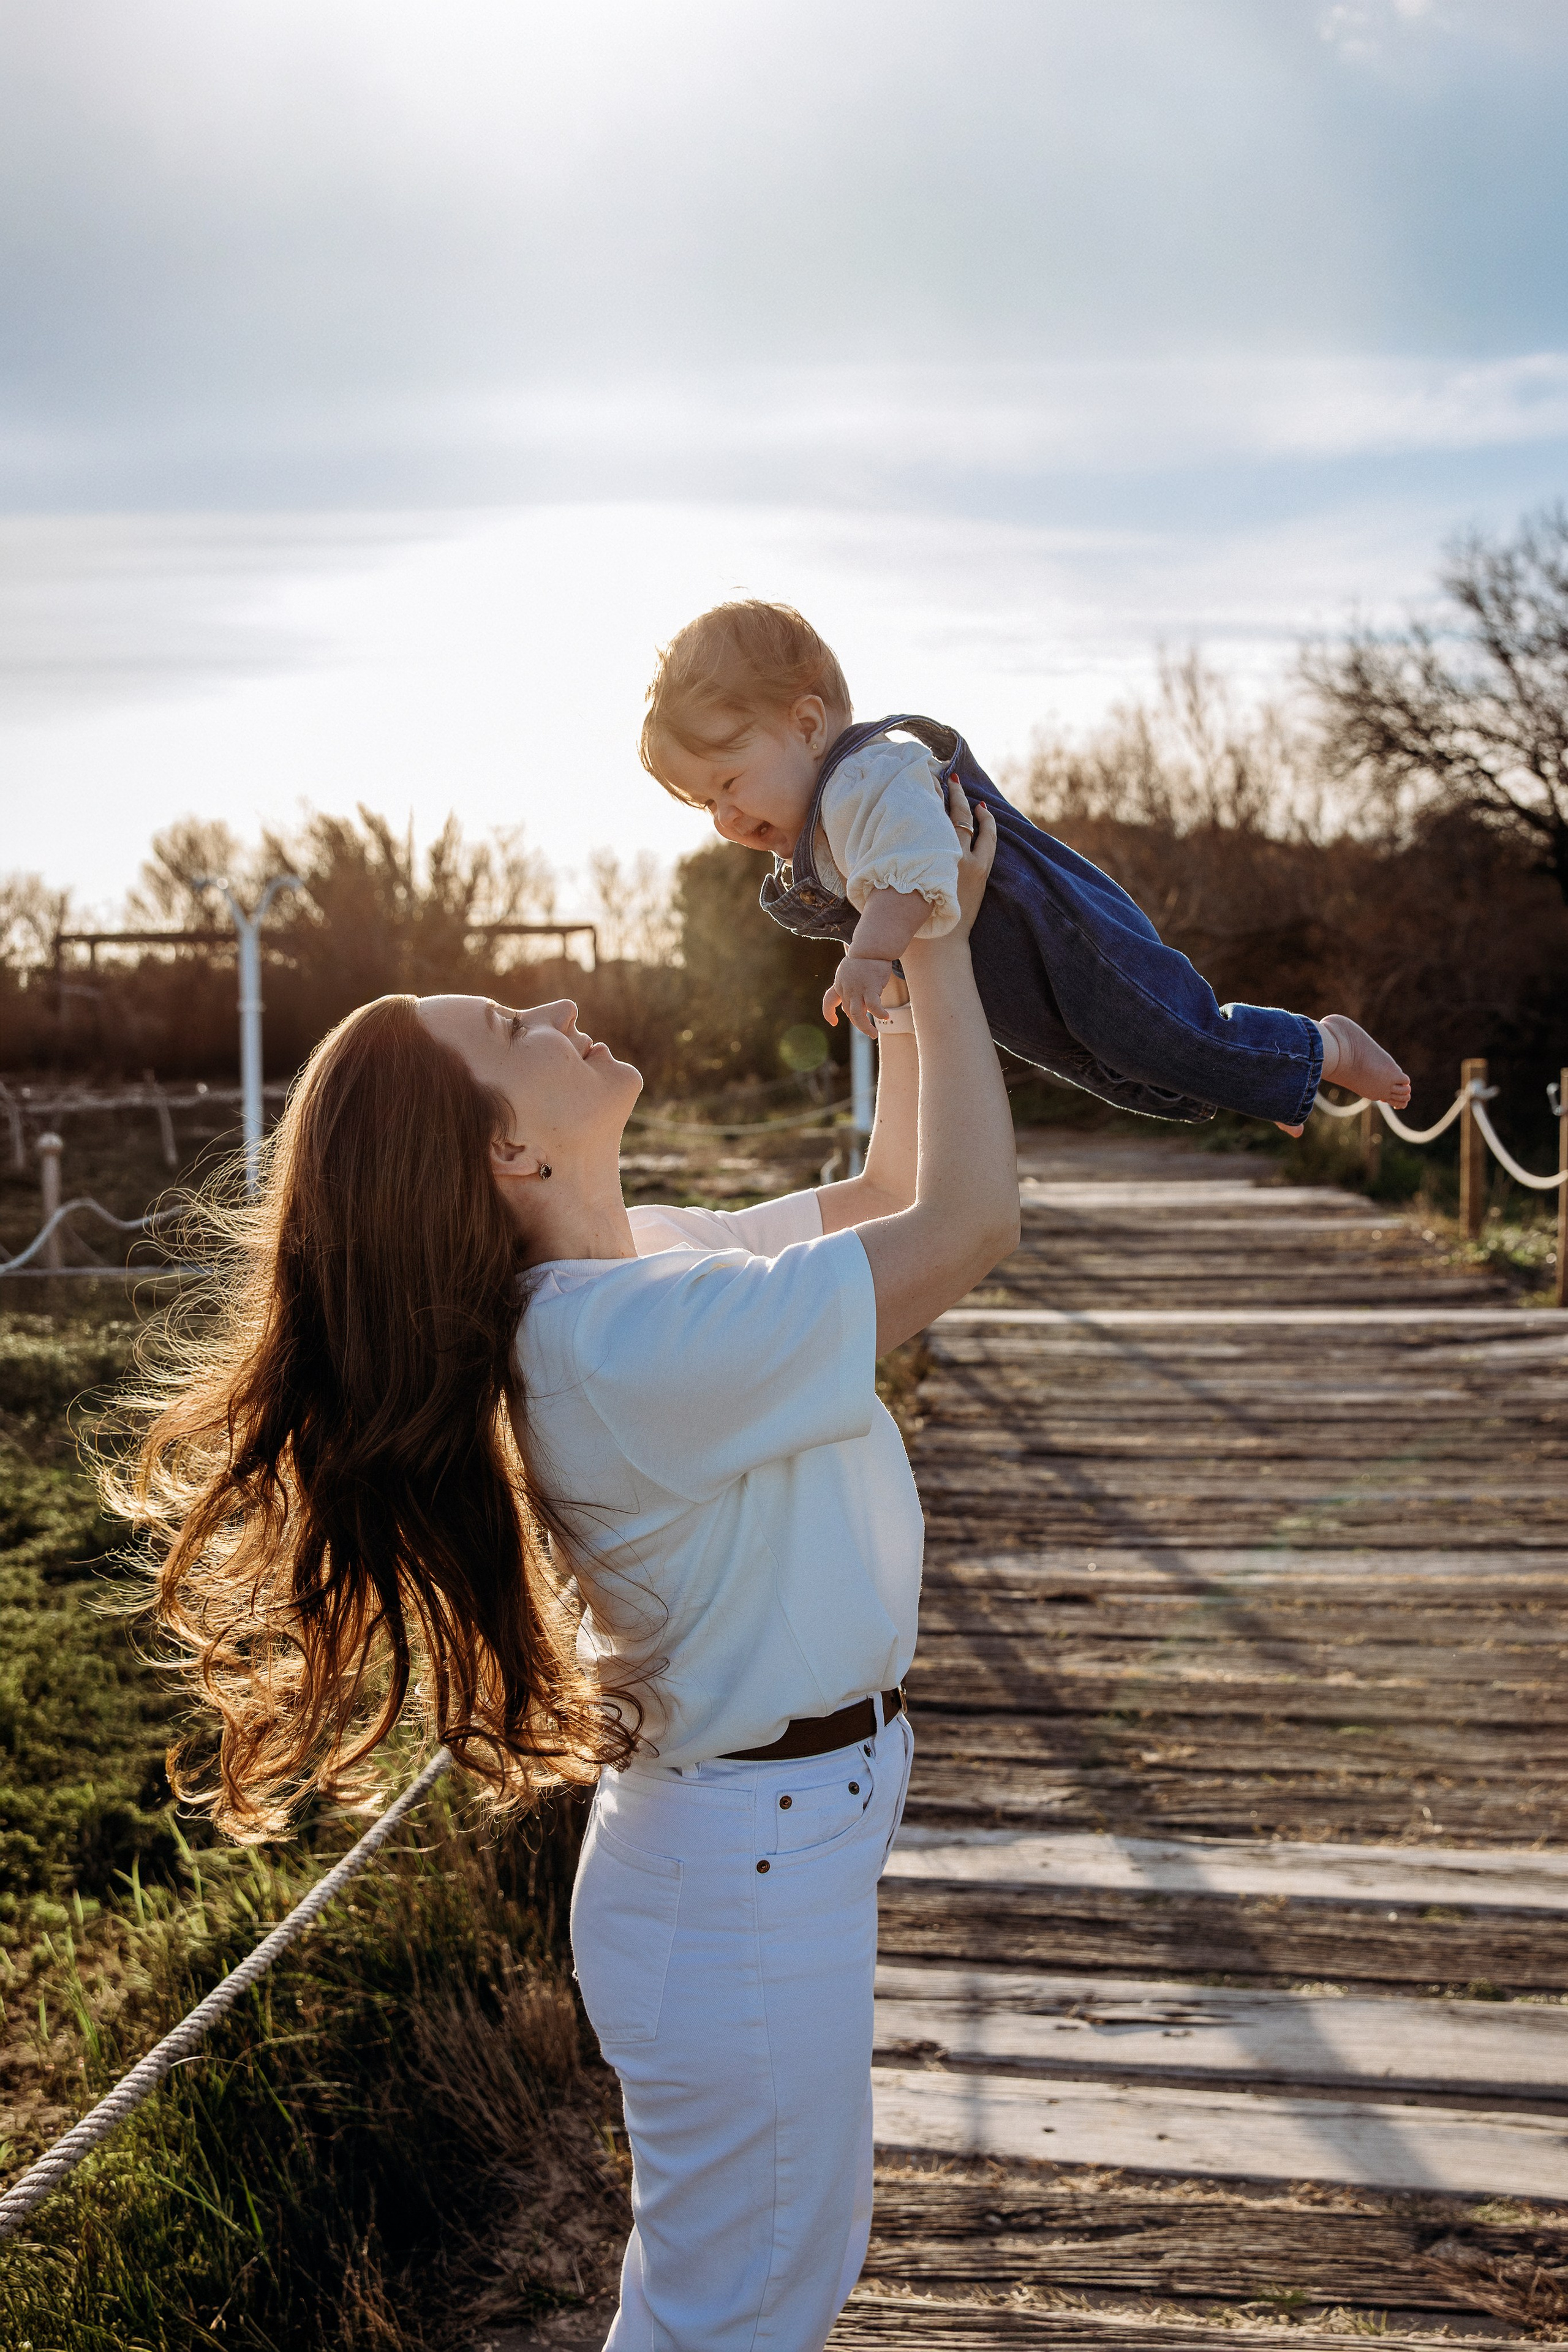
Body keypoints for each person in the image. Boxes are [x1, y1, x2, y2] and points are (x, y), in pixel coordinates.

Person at [111, 786, 1017, 2351]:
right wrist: (934, 942)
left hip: (768, 1844)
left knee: (758, 2292)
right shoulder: (618, 1344)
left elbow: (887, 1201)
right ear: (507, 1148)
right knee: (742, 2313)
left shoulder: (642, 1263)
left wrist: (907, 971)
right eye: (509, 1026)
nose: (555, 1005)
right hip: (744, 1863)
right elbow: (969, 1224)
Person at [640, 598, 1412, 1136]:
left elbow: (912, 870)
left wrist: (870, 954)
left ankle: (1321, 1049)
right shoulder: (825, 828)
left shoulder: (865, 776)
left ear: (807, 725)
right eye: (704, 804)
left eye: (729, 782)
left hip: (1060, 934)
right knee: (1120, 1070)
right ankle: (1260, 1078)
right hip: (1011, 978)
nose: (725, 817)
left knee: (1154, 1035)